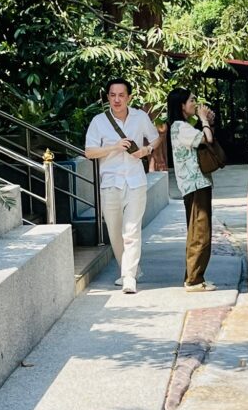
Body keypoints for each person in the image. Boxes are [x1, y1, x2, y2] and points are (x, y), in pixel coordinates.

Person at [84, 78, 160, 294]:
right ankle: (129, 269)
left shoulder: (140, 117)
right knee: (115, 232)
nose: (116, 100)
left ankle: (128, 277)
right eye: (112, 95)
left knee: (131, 230)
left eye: (121, 95)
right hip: (110, 183)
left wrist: (145, 151)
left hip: (135, 181)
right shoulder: (99, 121)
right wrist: (114, 147)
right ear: (107, 97)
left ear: (129, 97)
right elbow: (89, 152)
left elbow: (155, 139)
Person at [166, 87, 216, 292]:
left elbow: (204, 135)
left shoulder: (183, 126)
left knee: (198, 231)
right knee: (199, 232)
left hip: (196, 184)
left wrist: (206, 122)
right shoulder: (180, 127)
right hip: (195, 184)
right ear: (182, 105)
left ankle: (193, 277)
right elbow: (207, 139)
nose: (195, 104)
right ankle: (194, 280)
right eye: (192, 100)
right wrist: (204, 120)